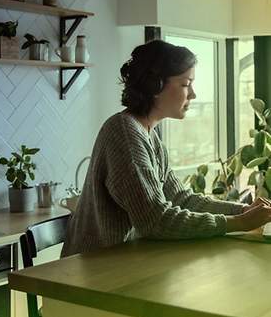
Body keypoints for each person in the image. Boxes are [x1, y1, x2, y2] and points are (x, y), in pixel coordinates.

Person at [61, 39, 271, 257]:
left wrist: (243, 210)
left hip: (121, 263)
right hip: (88, 274)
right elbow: (155, 220)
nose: (193, 94)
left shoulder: (148, 135)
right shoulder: (125, 134)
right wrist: (237, 222)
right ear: (155, 85)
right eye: (185, 84)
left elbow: (180, 198)